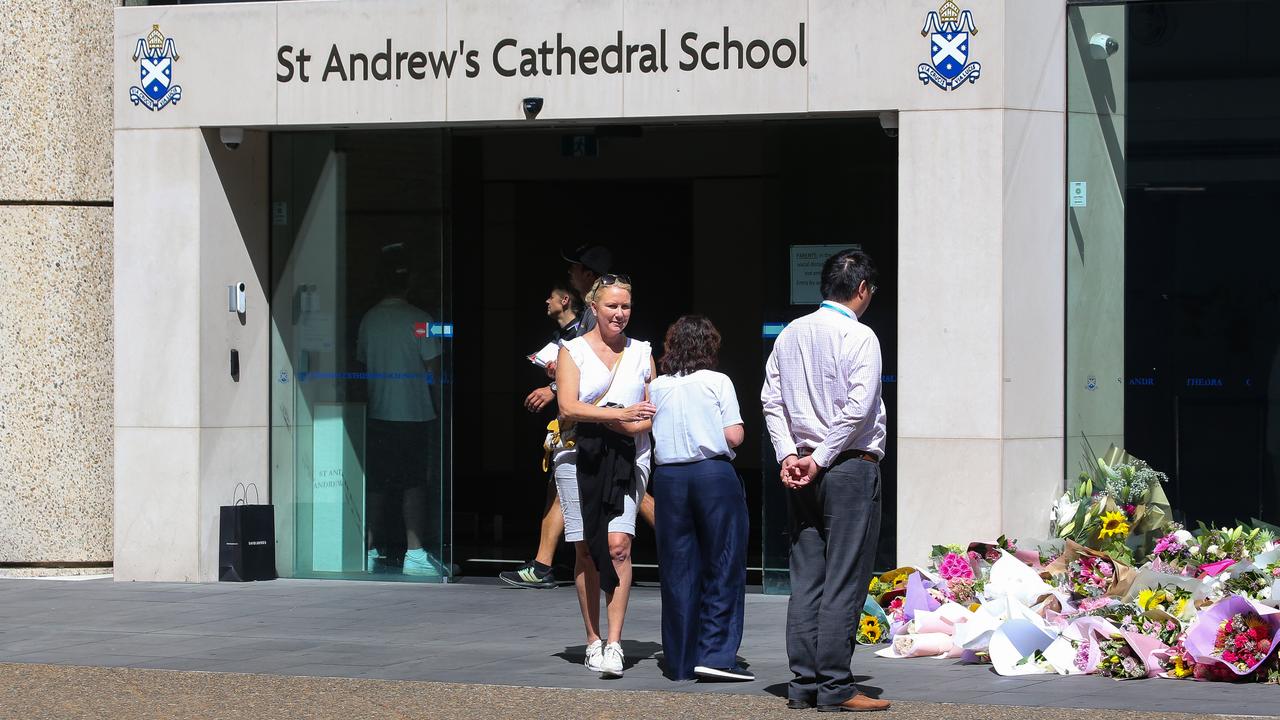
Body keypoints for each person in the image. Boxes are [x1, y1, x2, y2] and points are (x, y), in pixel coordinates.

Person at [761, 249, 890, 712]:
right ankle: (835, 685)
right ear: (861, 289)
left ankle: (803, 685)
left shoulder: (790, 334)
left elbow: (771, 401)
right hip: (848, 466)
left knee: (807, 576)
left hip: (802, 466)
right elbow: (858, 408)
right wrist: (820, 457)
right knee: (844, 577)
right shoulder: (860, 337)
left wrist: (790, 455)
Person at [553, 274, 656, 678]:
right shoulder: (572, 351)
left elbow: (650, 408)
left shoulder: (642, 351)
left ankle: (615, 642)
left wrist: (630, 424)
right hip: (579, 455)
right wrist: (620, 416)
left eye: (625, 306)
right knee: (584, 547)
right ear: (593, 307)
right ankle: (592, 640)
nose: (619, 313)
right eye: (612, 306)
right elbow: (567, 408)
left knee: (618, 546)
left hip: (630, 455)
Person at [649, 315, 751, 682]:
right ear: (709, 346)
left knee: (677, 569)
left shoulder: (657, 386)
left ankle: (679, 661)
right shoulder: (717, 381)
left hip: (669, 480)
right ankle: (717, 655)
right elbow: (734, 436)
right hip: (712, 475)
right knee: (723, 562)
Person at [356, 260, 446, 577]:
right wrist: (439, 409)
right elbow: (433, 370)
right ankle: (415, 552)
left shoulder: (370, 320)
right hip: (415, 414)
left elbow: (363, 362)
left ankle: (367, 549)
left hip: (379, 412)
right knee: (414, 484)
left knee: (377, 484)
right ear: (409, 285)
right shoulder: (419, 320)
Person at [498, 283, 582, 589]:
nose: (546, 300)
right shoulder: (566, 335)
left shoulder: (583, 332)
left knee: (632, 494)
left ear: (565, 300)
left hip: (585, 425)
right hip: (573, 423)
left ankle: (544, 566)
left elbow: (590, 375)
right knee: (560, 488)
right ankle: (546, 563)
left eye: (551, 296)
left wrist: (554, 387)